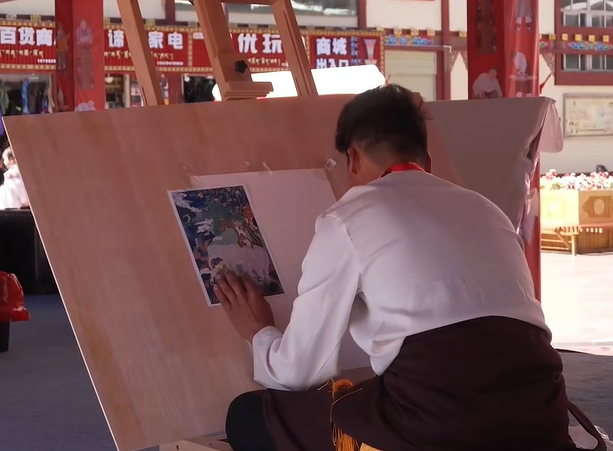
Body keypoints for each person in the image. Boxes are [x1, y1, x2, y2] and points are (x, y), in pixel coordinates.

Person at [214, 85, 596, 451]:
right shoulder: (488, 210)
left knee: (248, 417)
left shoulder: (346, 218)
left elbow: (297, 372)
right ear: (427, 161)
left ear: (353, 158)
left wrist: (258, 332)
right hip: (540, 418)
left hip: (440, 424)